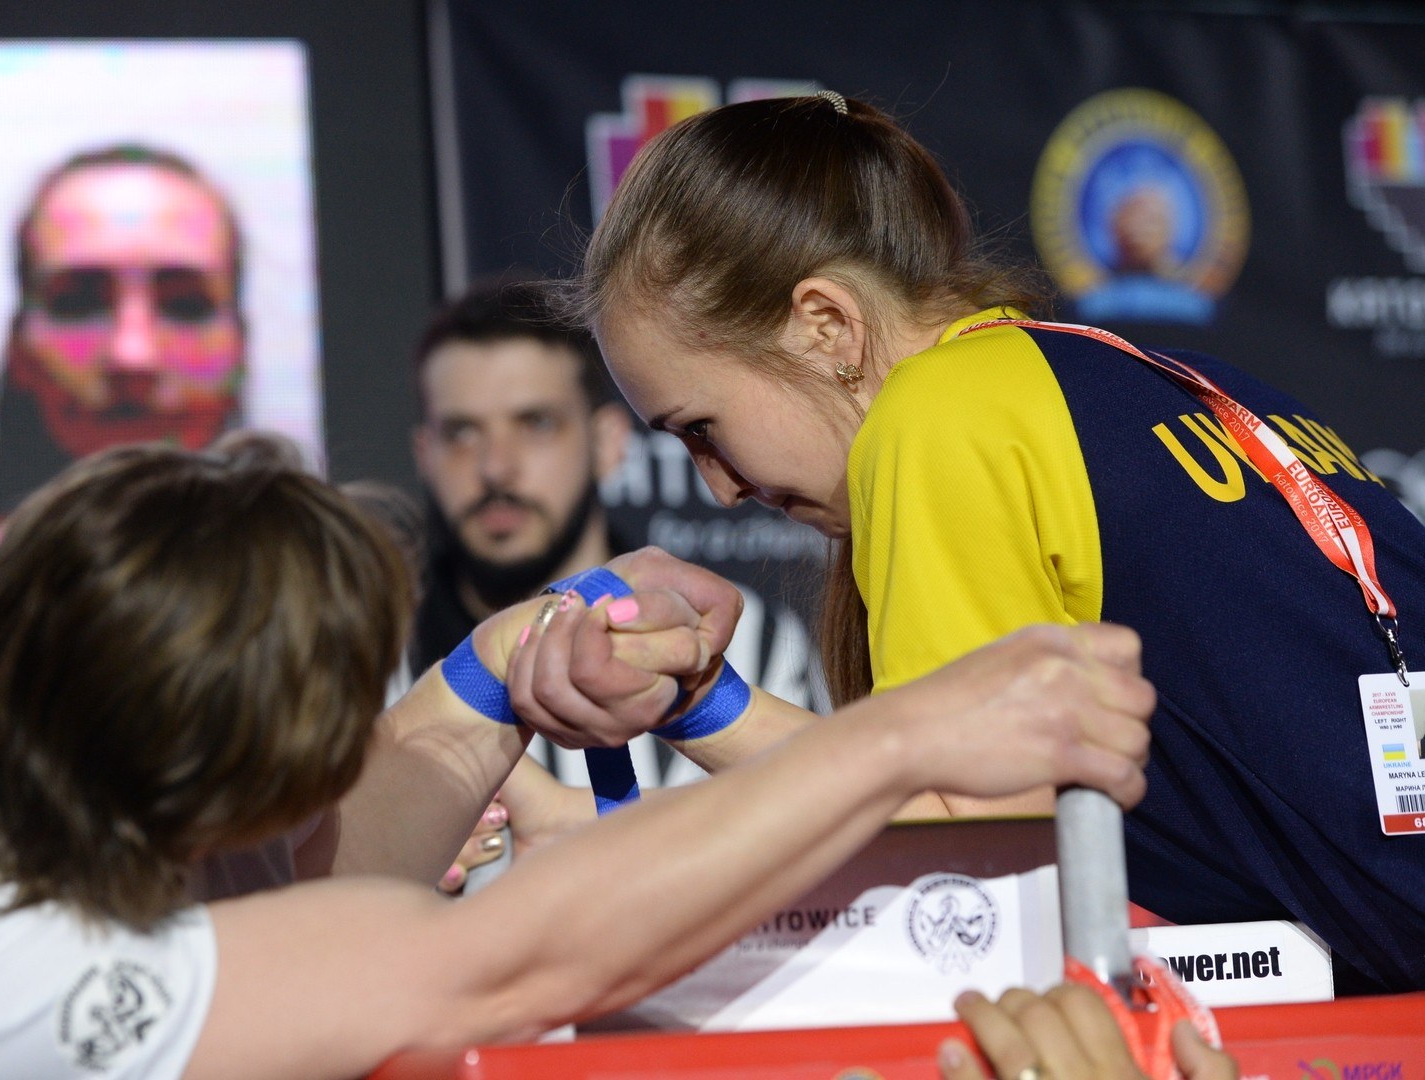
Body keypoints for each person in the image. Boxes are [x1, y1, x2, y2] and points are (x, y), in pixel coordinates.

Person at [0, 435, 1164, 1078]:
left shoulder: (1, 694)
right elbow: (510, 958)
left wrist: (504, 668)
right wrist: (906, 732)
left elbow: (319, 875)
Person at [543, 92, 1425, 993]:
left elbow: (962, 858)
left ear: (827, 325)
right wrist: (579, 821)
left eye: (700, 427)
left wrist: (696, 697)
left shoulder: (942, 416)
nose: (719, 487)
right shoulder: (1157, 380)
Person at [407, 278, 819, 890]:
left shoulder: (748, 643)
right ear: (425, 455)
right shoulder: (367, 671)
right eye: (462, 433)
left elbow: (819, 853)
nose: (496, 468)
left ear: (608, 442)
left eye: (535, 423)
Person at [0, 144, 247, 601]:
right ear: (18, 346)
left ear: (241, 344)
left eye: (186, 305)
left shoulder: (331, 592)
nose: (132, 356)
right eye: (77, 303)